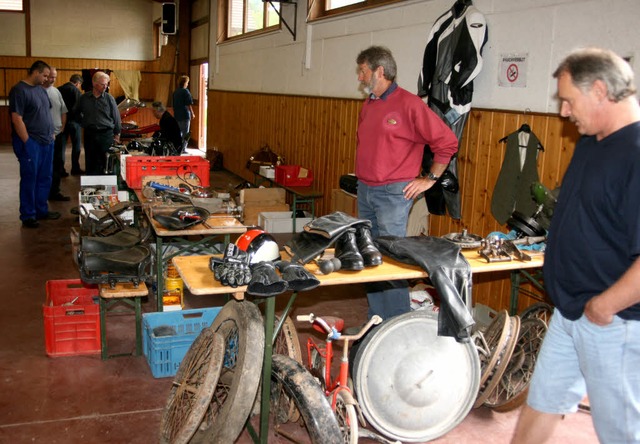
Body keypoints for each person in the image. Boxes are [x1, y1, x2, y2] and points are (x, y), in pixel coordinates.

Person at [511, 48, 640, 443]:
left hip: (613, 321)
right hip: (570, 312)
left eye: (568, 100)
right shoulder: (592, 141)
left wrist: (605, 306)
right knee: (542, 403)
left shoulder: (635, 154)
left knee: (620, 431)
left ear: (600, 90)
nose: (563, 112)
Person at [355, 46, 458, 319]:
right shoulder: (370, 104)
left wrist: (430, 179)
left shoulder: (409, 104)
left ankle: (398, 321)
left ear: (380, 71)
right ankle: (377, 318)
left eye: (363, 71)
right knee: (371, 257)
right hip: (365, 191)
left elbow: (447, 143)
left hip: (392, 195)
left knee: (393, 260)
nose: (360, 77)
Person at [9, 60, 60, 228]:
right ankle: (28, 214)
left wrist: (52, 132)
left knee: (45, 177)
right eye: (44, 75)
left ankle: (41, 209)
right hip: (31, 142)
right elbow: (17, 119)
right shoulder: (19, 90)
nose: (46, 79)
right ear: (35, 72)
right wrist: (27, 142)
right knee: (30, 178)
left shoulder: (41, 90)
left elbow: (46, 112)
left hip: (47, 141)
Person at [74, 71, 121, 175]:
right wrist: (84, 123)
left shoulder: (109, 99)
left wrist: (117, 134)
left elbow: (116, 117)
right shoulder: (84, 98)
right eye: (102, 84)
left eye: (106, 84)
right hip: (90, 134)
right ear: (94, 84)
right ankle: (91, 187)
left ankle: (107, 187)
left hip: (106, 135)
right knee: (90, 161)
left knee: (107, 161)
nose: (105, 87)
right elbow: (76, 113)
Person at [45, 67, 70, 202]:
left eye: (54, 77)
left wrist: (62, 128)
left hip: (58, 134)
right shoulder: (38, 91)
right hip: (43, 136)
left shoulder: (56, 92)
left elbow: (63, 111)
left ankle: (55, 191)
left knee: (57, 164)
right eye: (49, 76)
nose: (52, 79)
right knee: (44, 166)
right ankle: (43, 194)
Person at [58, 74, 84, 175]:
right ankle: (75, 168)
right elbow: (78, 107)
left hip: (61, 121)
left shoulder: (58, 89)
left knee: (61, 147)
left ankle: (60, 169)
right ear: (77, 83)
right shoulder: (76, 91)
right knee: (76, 146)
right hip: (74, 122)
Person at [172, 75, 195, 150]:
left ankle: (177, 147)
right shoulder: (186, 91)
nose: (187, 84)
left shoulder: (176, 92)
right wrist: (192, 113)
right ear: (185, 83)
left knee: (178, 132)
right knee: (185, 133)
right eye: (187, 83)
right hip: (184, 114)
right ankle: (183, 148)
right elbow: (188, 104)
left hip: (177, 114)